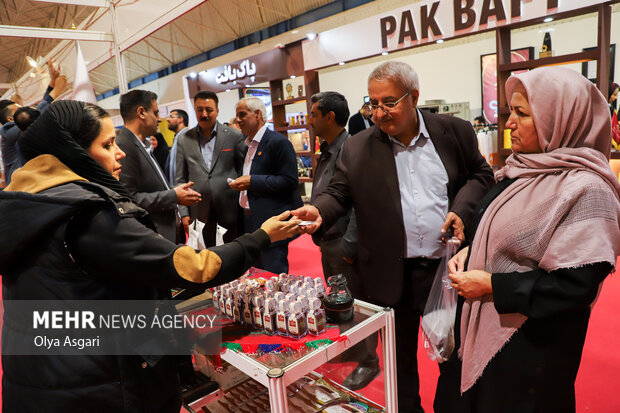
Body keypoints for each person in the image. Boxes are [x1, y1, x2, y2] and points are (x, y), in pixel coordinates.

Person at [0, 100, 301, 412]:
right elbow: (197, 267)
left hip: (42, 374)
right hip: (94, 384)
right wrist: (263, 236)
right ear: (72, 150)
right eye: (107, 144)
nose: (120, 153)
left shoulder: (30, 203)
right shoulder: (89, 215)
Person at [293, 61, 494, 413]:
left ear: (414, 96)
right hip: (390, 274)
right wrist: (319, 210)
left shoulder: (454, 132)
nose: (379, 113)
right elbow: (338, 193)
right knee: (400, 366)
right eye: (372, 104)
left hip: (447, 273)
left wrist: (461, 212)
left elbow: (481, 174)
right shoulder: (358, 148)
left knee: (453, 356)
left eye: (389, 103)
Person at [434, 67, 620, 413]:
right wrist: (472, 251)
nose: (508, 124)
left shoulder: (588, 190)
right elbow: (500, 230)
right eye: (510, 112)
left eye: (521, 113)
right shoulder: (521, 170)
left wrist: (491, 285)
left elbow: (574, 286)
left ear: (560, 118)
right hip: (483, 330)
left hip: (531, 348)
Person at [309, 91, 381, 390]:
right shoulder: (328, 148)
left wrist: (349, 245)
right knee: (340, 302)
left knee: (355, 301)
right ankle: (350, 349)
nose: (309, 121)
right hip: (329, 239)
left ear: (330, 116)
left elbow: (361, 202)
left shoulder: (350, 148)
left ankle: (369, 362)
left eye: (314, 114)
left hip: (344, 241)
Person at [116, 90, 201, 243]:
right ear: (141, 112)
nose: (160, 119)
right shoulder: (125, 146)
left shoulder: (142, 145)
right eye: (155, 113)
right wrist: (174, 196)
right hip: (153, 235)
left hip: (166, 232)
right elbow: (129, 199)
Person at [231, 97, 303, 274]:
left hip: (271, 221)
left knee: (273, 277)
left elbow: (290, 180)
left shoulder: (278, 142)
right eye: (237, 115)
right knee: (256, 275)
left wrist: (252, 181)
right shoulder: (244, 145)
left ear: (257, 115)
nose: (238, 120)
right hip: (248, 221)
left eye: (242, 115)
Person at [175, 91, 245, 246]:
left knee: (233, 253)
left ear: (217, 111)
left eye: (209, 110)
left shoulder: (234, 136)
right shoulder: (184, 139)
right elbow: (180, 179)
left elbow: (242, 172)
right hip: (198, 211)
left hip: (230, 209)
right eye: (200, 110)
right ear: (195, 111)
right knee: (204, 257)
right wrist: (184, 213)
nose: (204, 114)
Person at [0, 60, 67, 185]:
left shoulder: (21, 129)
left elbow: (35, 114)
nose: (26, 111)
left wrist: (52, 83)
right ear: (10, 119)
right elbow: (35, 114)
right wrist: (56, 91)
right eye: (20, 109)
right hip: (19, 190)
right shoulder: (7, 132)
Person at [165, 108, 188, 185]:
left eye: (171, 117)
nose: (168, 119)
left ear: (180, 120)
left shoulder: (187, 137)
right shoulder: (177, 137)